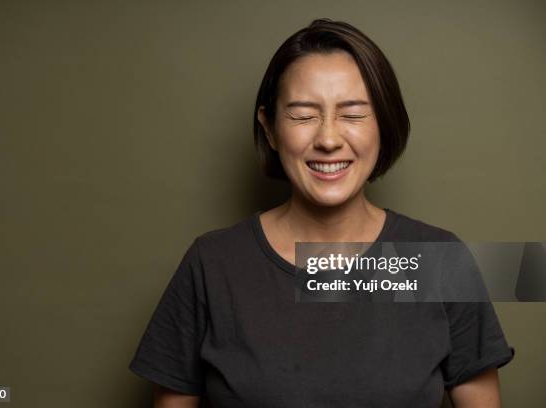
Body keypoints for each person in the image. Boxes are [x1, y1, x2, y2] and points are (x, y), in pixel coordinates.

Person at [129, 18, 514, 407]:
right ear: (270, 128)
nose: (328, 139)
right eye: (302, 114)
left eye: (352, 113)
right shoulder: (212, 265)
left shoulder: (440, 262)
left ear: (384, 123)